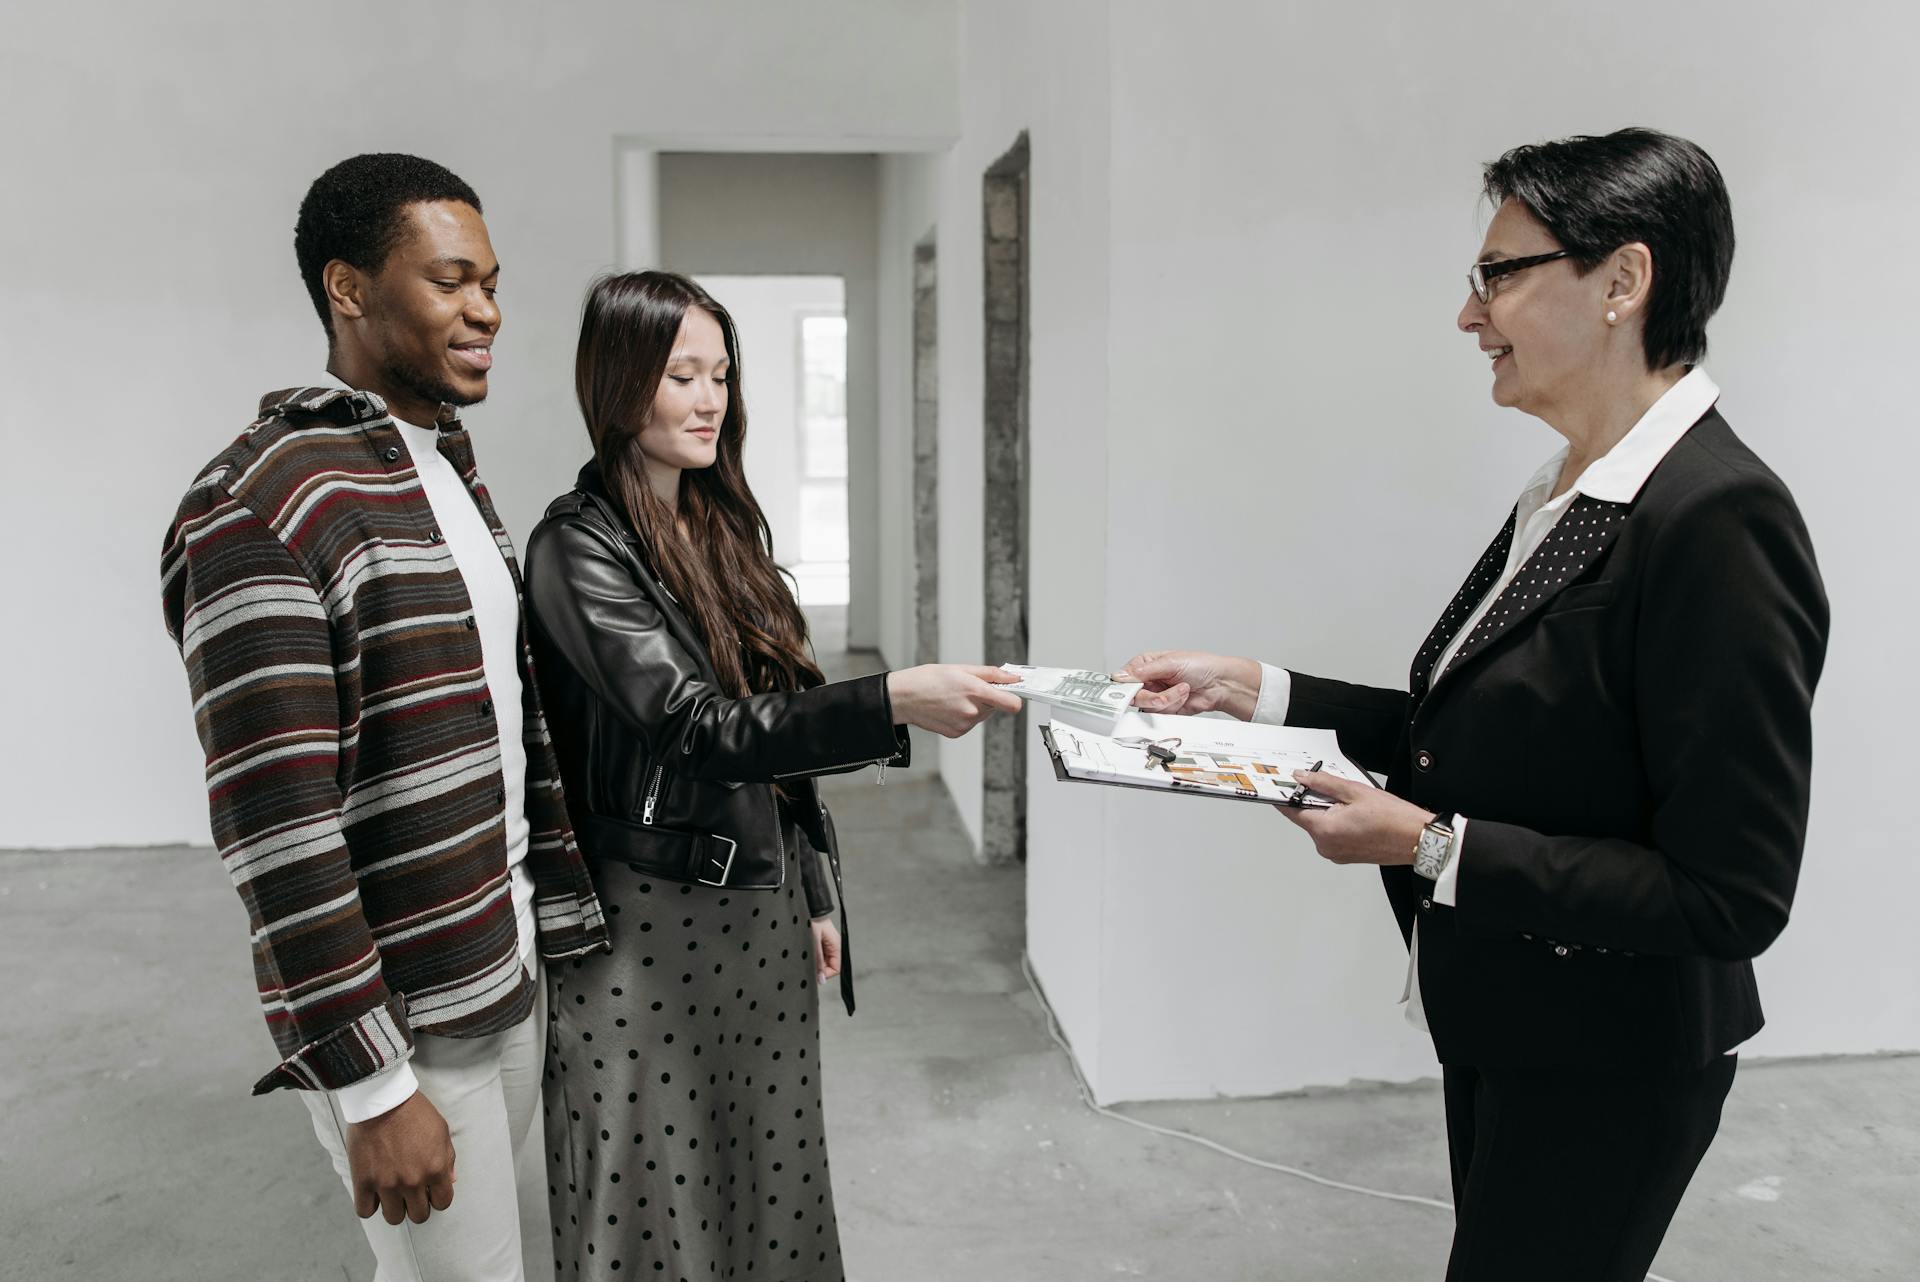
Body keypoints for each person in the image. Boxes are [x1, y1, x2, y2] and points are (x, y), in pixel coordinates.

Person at [1120, 129, 1828, 1282]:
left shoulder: (1716, 519)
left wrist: (1427, 844)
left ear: (1623, 281)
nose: (1470, 313)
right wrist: (1260, 691)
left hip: (1613, 1057)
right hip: (1516, 1021)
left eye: (1499, 275)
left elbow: (1730, 894)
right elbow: (1482, 731)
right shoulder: (1570, 491)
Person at [160, 153, 609, 1281]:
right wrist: (370, 1083)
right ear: (348, 289)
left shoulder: (440, 466)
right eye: (452, 281)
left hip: (502, 967)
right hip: (410, 1027)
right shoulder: (260, 503)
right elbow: (277, 830)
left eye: (493, 282)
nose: (488, 311)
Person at [523, 270, 1022, 1281]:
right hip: (647, 928)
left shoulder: (721, 528)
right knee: (655, 1205)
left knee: (771, 1184)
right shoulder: (575, 551)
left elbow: (774, 718)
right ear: (619, 383)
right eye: (681, 376)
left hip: (761, 914)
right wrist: (890, 702)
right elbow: (698, 728)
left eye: (721, 374)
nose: (710, 399)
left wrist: (816, 882)